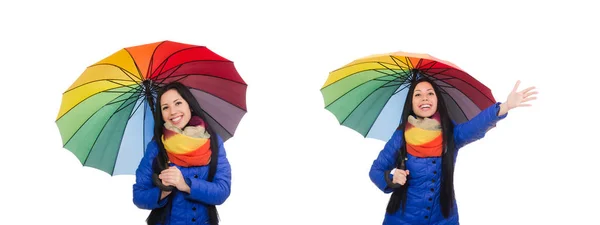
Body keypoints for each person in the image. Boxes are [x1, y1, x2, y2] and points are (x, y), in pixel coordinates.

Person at [369, 77, 537, 224]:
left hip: (444, 218)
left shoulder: (451, 134)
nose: (424, 98)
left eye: (430, 93)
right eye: (417, 94)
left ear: (437, 100)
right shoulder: (401, 135)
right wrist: (392, 178)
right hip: (402, 219)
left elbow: (474, 127)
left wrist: (505, 106)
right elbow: (375, 170)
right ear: (411, 103)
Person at [133, 82, 232, 225]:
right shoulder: (156, 147)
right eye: (165, 107)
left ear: (190, 106)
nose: (172, 112)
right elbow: (139, 196)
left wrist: (185, 184)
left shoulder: (213, 141)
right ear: (161, 114)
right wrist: (163, 191)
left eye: (178, 103)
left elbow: (222, 191)